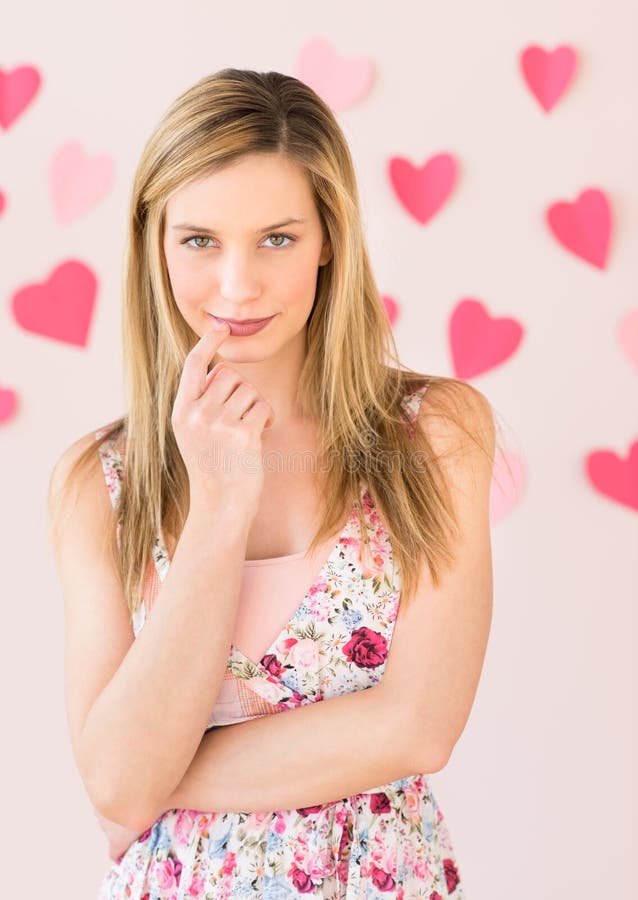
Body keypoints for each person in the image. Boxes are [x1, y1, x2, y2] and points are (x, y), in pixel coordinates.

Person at [47, 67, 498, 899]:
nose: (237, 285)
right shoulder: (99, 484)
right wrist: (219, 504)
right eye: (200, 240)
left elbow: (419, 728)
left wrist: (154, 775)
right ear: (155, 242)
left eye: (278, 239)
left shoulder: (435, 435)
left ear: (331, 238)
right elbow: (109, 781)